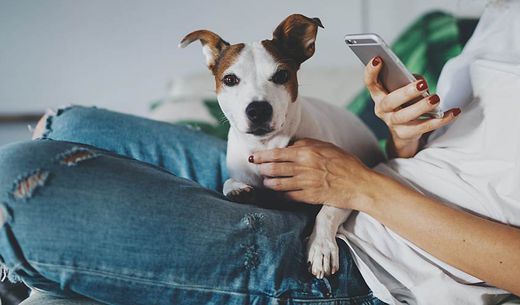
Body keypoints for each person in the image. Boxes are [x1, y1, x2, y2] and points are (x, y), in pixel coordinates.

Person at [1, 0, 519, 304]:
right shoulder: (502, 16)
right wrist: (404, 135)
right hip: (351, 179)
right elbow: (433, 157)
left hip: (375, 257)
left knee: (17, 182)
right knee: (71, 123)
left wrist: (361, 185)